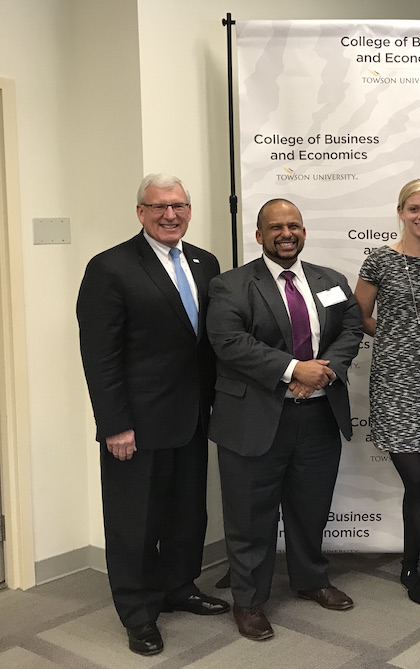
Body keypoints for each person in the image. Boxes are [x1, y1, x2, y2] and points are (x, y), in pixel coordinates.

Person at [77, 173, 228, 656]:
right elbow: (99, 355)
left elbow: (205, 344)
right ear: (140, 212)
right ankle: (138, 613)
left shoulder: (206, 263)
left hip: (192, 417)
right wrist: (114, 423)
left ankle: (179, 587)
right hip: (136, 425)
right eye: (159, 206)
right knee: (134, 522)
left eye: (179, 206)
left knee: (187, 514)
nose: (171, 215)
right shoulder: (110, 267)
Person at [207, 198, 363, 641]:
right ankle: (249, 601)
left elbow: (351, 327)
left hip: (317, 418)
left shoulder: (329, 281)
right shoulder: (230, 285)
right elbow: (229, 341)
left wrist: (324, 368)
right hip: (254, 419)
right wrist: (295, 370)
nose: (286, 233)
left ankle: (311, 578)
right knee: (250, 517)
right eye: (276, 227)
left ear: (304, 232)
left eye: (294, 225)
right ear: (259, 235)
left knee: (310, 508)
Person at [354, 179, 420, 618]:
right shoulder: (379, 259)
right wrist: (397, 338)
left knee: (418, 484)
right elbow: (359, 315)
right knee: (416, 483)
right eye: (414, 208)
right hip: (396, 384)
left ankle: (407, 567)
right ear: (400, 211)